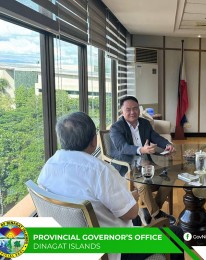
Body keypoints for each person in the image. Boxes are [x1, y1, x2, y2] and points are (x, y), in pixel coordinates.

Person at [37, 112, 184, 260]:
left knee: (137, 219)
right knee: (176, 233)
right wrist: (130, 198)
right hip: (111, 248)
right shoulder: (100, 170)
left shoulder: (48, 166)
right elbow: (131, 213)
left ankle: (147, 217)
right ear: (94, 140)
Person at [110, 96, 176, 225]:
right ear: (121, 111)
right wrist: (142, 150)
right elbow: (122, 148)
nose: (132, 112)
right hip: (128, 166)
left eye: (135, 108)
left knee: (170, 177)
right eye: (128, 109)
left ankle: (150, 212)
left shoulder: (144, 123)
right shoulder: (116, 128)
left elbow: (155, 137)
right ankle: (157, 216)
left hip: (147, 164)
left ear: (139, 109)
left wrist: (167, 144)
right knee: (143, 185)